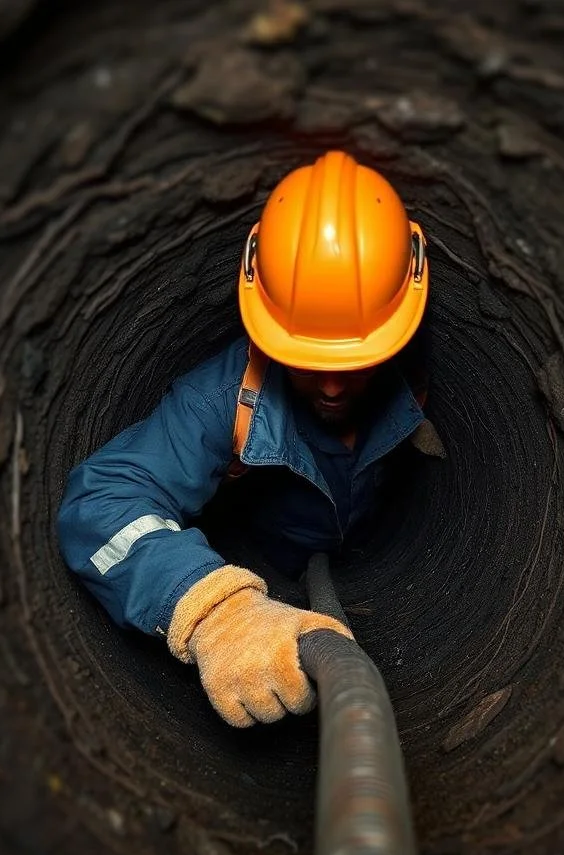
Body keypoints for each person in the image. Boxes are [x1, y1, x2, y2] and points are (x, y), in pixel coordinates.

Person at [58, 150, 439, 727]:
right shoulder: (220, 401)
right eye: (304, 360)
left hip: (363, 539)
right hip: (274, 554)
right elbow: (99, 505)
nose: (333, 388)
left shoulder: (412, 370)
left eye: (360, 360)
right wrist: (215, 610)